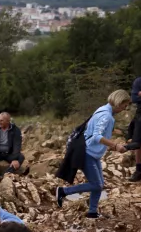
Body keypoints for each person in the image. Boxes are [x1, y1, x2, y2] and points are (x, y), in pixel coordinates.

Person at [55, 90, 130, 219]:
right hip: (87, 153)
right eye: (125, 105)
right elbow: (96, 136)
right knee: (96, 184)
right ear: (119, 102)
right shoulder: (106, 116)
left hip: (91, 152)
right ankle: (63, 191)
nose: (125, 108)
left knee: (99, 183)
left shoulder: (103, 109)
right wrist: (115, 146)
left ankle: (92, 212)